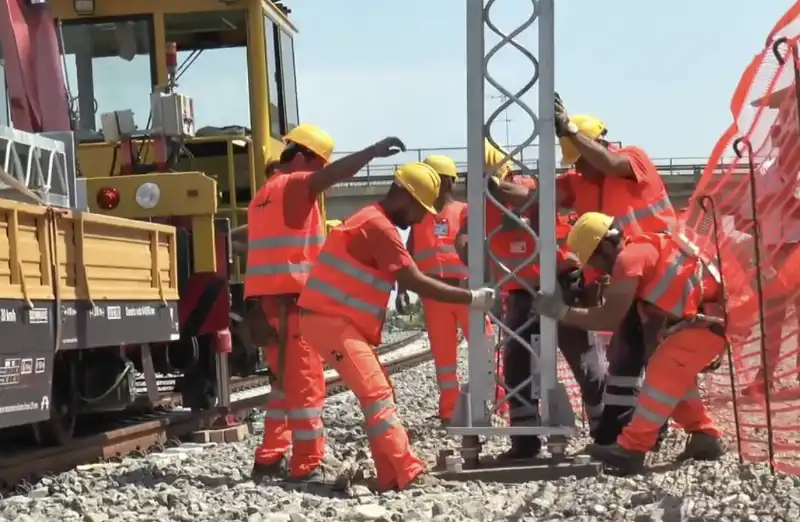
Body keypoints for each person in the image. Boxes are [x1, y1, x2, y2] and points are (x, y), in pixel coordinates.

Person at [297, 161, 497, 491]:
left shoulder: (371, 218)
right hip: (329, 321)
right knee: (376, 394)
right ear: (404, 195)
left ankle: (389, 474)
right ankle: (408, 471)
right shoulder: (379, 227)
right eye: (420, 209)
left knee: (380, 392)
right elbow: (415, 280)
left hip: (335, 320)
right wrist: (472, 297)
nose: (421, 218)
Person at [499, 94, 678, 446]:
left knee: (659, 356)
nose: (578, 169)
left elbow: (610, 163)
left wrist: (568, 130)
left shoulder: (631, 159)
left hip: (662, 272)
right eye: (575, 163)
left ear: (596, 142)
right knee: (626, 357)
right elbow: (532, 196)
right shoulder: (578, 182)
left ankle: (663, 429)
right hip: (628, 276)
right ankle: (624, 431)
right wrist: (491, 184)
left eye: (581, 159)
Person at [246, 123, 410, 484]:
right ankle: (307, 465)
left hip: (267, 306)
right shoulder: (293, 184)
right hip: (292, 306)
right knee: (306, 388)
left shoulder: (262, 196)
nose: (321, 176)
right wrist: (373, 150)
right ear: (303, 157)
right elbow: (329, 176)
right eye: (318, 166)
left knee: (282, 387)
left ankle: (269, 459)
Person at [530, 211, 728, 474]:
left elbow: (609, 318)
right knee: (676, 380)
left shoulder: (628, 259)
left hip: (705, 324)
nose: (598, 269)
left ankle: (631, 449)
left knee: (662, 375)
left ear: (607, 245)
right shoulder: (645, 248)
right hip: (705, 322)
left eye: (597, 260)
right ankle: (705, 436)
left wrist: (561, 312)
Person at [455, 141, 605, 460]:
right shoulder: (475, 206)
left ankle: (606, 431)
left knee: (582, 357)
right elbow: (465, 236)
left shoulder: (526, 187)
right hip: (522, 289)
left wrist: (497, 189)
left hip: (562, 282)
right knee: (517, 362)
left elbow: (532, 199)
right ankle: (525, 440)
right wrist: (470, 253)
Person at [396, 155, 494, 424]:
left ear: (449, 181)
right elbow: (407, 252)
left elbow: (483, 249)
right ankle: (450, 410)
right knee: (444, 358)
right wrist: (402, 288)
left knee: (484, 346)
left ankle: (489, 403)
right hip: (434, 295)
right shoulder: (420, 215)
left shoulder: (465, 211)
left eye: (434, 178)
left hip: (467, 293)